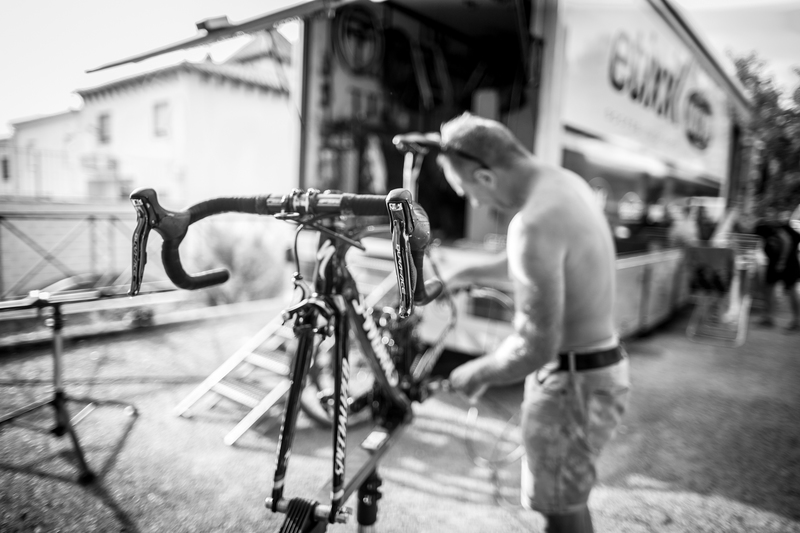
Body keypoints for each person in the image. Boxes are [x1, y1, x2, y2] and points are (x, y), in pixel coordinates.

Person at [439, 112, 630, 533]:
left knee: (560, 513)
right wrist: (462, 274)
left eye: (466, 189)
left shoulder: (531, 224)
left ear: (485, 177)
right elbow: (539, 262)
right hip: (597, 371)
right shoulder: (564, 185)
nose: (473, 202)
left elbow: (534, 346)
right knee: (568, 501)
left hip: (572, 387)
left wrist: (476, 371)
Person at [755, 209, 800, 330]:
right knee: (769, 288)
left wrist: (782, 261)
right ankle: (768, 317)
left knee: (791, 290)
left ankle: (797, 320)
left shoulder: (784, 229)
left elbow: (786, 242)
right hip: (775, 262)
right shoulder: (767, 227)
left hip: (787, 264)